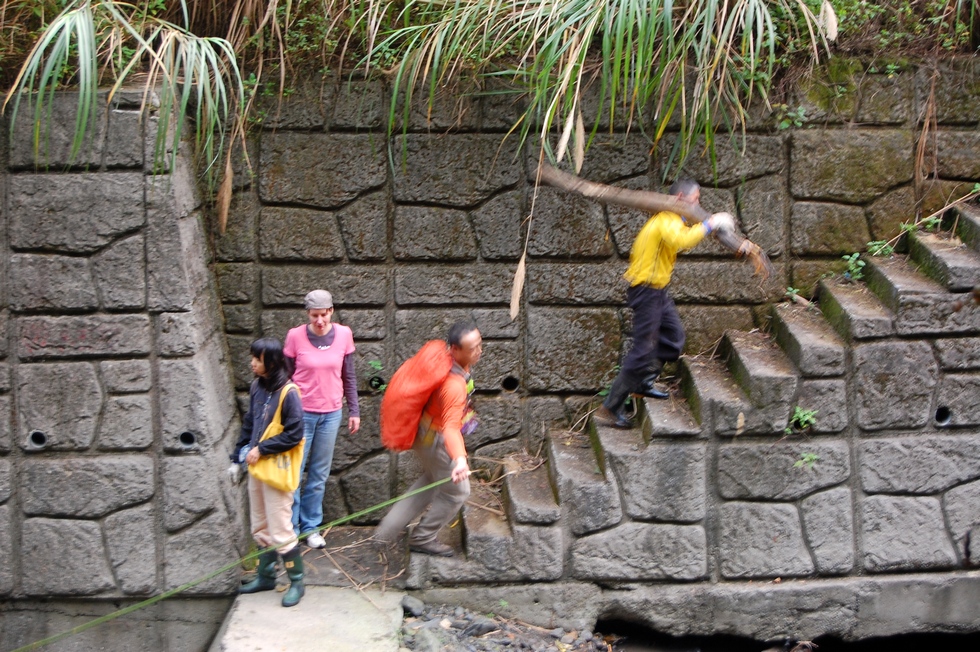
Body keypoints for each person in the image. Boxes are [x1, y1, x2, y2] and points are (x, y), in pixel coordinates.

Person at [595, 179, 734, 428]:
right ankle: (609, 407)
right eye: (696, 199)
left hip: (657, 290)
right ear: (681, 197)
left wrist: (707, 225)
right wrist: (710, 223)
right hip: (647, 290)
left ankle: (642, 383)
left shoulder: (670, 219)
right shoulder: (666, 219)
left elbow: (682, 237)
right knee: (642, 350)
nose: (698, 204)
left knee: (673, 335)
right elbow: (682, 241)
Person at [373, 321, 482, 557]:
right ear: (454, 349)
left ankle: (386, 531)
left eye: (479, 344)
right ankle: (422, 538)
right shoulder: (453, 386)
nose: (478, 351)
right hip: (437, 439)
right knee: (457, 492)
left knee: (432, 480)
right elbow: (451, 428)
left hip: (424, 432)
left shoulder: (443, 359)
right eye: (472, 348)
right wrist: (460, 459)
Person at [231, 337, 307, 607]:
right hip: (256, 468)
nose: (252, 363)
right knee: (260, 524)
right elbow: (250, 422)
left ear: (272, 363)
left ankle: (297, 581)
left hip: (276, 470)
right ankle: (266, 576)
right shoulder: (256, 387)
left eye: (257, 359)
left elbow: (295, 434)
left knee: (281, 528)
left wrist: (262, 449)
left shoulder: (290, 393)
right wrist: (237, 454)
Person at [284, 289, 360, 549]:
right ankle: (291, 529)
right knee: (294, 474)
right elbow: (285, 378)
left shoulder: (344, 334)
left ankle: (311, 528)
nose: (319, 321)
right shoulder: (295, 336)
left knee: (318, 474)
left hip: (331, 413)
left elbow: (348, 376)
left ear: (331, 311)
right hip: (300, 414)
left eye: (324, 315)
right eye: (314, 315)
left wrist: (355, 411)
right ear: (308, 314)